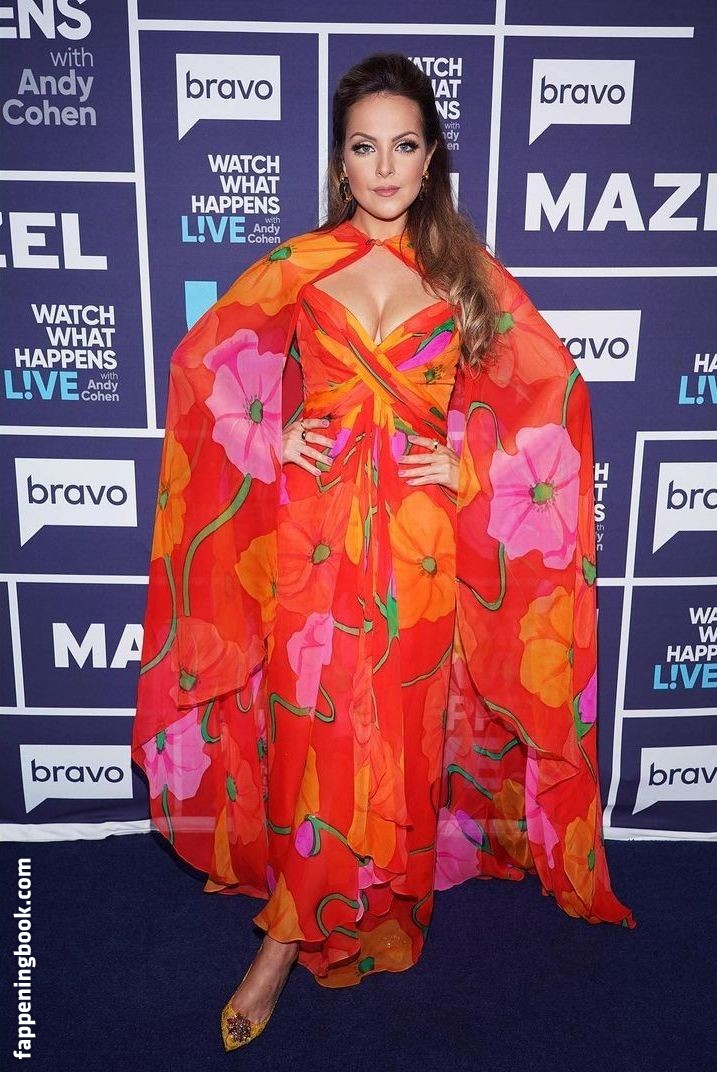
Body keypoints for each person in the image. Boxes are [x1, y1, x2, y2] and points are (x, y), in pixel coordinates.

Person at [131, 52, 636, 1053]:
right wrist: (266, 438)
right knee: (314, 727)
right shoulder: (299, 264)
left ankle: (369, 896)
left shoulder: (463, 271)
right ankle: (286, 935)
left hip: (418, 541)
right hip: (314, 532)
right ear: (340, 163)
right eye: (365, 147)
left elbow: (553, 398)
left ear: (431, 156)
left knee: (396, 728)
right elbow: (202, 371)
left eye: (404, 145)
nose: (386, 166)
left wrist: (471, 465)